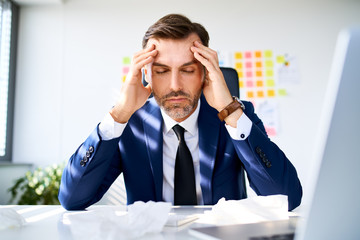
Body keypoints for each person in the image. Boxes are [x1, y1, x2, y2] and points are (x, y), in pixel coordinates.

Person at [58, 14, 302, 211]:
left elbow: (287, 199)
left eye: (187, 70)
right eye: (162, 71)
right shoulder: (129, 121)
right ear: (146, 74)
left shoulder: (236, 116)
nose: (175, 85)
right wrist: (119, 113)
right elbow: (72, 199)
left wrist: (230, 111)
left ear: (205, 73)